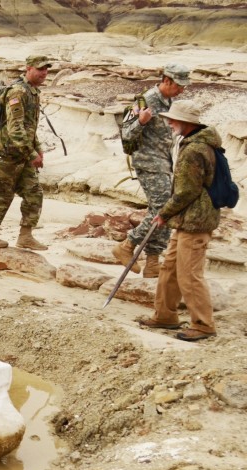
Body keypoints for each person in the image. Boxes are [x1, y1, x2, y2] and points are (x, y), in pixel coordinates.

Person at [139, 100, 221, 342]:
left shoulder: (194, 150)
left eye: (173, 119)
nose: (169, 122)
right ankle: (165, 315)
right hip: (187, 219)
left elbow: (187, 191)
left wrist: (164, 213)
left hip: (196, 221)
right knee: (170, 268)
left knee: (189, 274)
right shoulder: (196, 144)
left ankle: (203, 324)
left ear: (186, 123)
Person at [115, 62, 190, 278]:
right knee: (164, 208)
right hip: (148, 163)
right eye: (179, 85)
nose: (182, 89)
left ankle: (152, 261)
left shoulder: (169, 102)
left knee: (165, 209)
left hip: (164, 162)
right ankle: (128, 245)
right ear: (167, 80)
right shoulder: (145, 100)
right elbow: (126, 135)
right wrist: (140, 121)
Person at [0, 54, 52, 252]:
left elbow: (30, 127)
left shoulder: (33, 91)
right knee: (2, 196)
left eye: (46, 69)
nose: (44, 73)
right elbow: (15, 128)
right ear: (28, 68)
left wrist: (38, 149)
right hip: (5, 155)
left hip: (22, 153)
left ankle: (25, 236)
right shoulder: (18, 92)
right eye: (40, 69)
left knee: (34, 192)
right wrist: (31, 154)